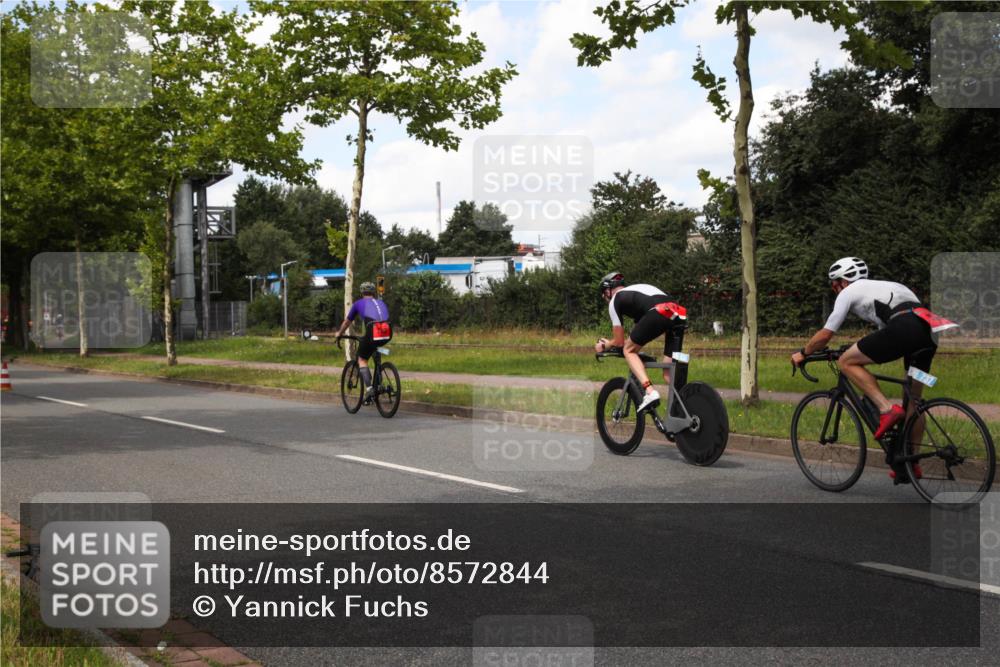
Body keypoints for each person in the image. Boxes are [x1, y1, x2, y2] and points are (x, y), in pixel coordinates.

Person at [791, 257, 957, 477]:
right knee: (914, 402)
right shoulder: (892, 286)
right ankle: (910, 462)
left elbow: (825, 334)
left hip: (903, 328)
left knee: (846, 362)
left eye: (834, 284)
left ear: (843, 281)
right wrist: (855, 346)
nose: (835, 289)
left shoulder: (848, 292)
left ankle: (886, 409)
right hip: (928, 332)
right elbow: (885, 334)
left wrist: (802, 354)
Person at [594, 271, 688, 413]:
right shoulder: (635, 294)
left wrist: (604, 345)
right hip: (679, 312)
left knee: (628, 351)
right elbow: (636, 337)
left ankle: (650, 392)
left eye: (603, 293)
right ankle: (687, 405)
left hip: (659, 311)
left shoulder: (615, 300)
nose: (603, 296)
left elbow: (620, 342)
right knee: (668, 371)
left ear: (608, 290)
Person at [335, 282, 392, 399]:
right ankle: (379, 382)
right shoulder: (381, 302)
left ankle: (370, 389)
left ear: (362, 293)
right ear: (373, 292)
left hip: (373, 333)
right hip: (387, 333)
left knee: (362, 358)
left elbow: (347, 322)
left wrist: (339, 333)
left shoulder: (358, 304)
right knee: (376, 348)